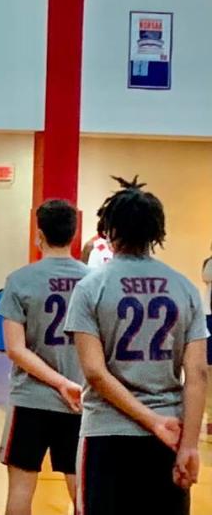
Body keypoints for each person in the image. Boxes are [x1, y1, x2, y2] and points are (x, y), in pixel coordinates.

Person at [64, 176, 208, 515]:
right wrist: (188, 444)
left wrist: (149, 420)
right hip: (170, 435)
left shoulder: (90, 287)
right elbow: (198, 373)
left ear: (109, 230)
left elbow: (96, 374)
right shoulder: (184, 287)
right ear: (156, 233)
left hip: (107, 433)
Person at [0, 200, 88, 515]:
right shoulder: (94, 281)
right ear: (74, 235)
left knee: (21, 489)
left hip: (31, 400)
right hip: (82, 401)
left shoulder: (20, 280)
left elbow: (15, 349)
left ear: (39, 235)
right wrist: (71, 383)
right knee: (83, 493)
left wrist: (57, 382)